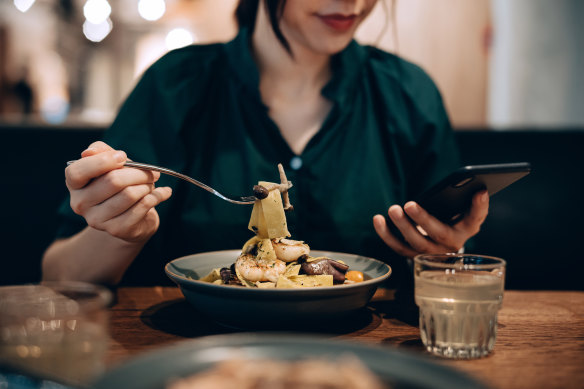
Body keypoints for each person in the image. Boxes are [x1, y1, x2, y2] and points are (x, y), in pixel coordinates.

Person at [42, 0, 488, 291]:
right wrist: (121, 231)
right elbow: (59, 277)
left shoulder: (408, 92)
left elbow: (447, 280)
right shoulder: (175, 87)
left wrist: (446, 257)